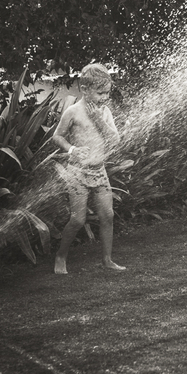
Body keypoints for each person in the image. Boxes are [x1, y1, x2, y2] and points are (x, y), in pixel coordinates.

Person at [52, 63, 126, 274]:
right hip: (77, 173)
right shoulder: (73, 112)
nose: (104, 97)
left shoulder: (104, 112)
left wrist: (98, 120)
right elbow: (57, 136)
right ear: (84, 89)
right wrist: (72, 149)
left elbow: (115, 140)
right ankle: (60, 256)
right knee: (77, 219)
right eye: (100, 93)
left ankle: (107, 260)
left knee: (108, 216)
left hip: (99, 171)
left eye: (107, 93)